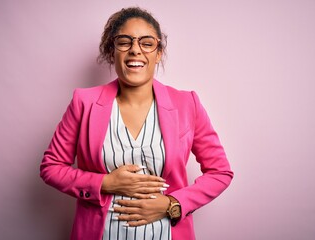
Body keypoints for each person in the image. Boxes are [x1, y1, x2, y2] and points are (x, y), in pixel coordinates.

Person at [40, 7, 233, 240]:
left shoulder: (186, 104)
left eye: (147, 42)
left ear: (158, 52)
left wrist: (172, 204)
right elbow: (51, 167)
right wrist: (105, 183)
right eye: (124, 42)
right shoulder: (84, 103)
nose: (135, 50)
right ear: (112, 51)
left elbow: (220, 172)